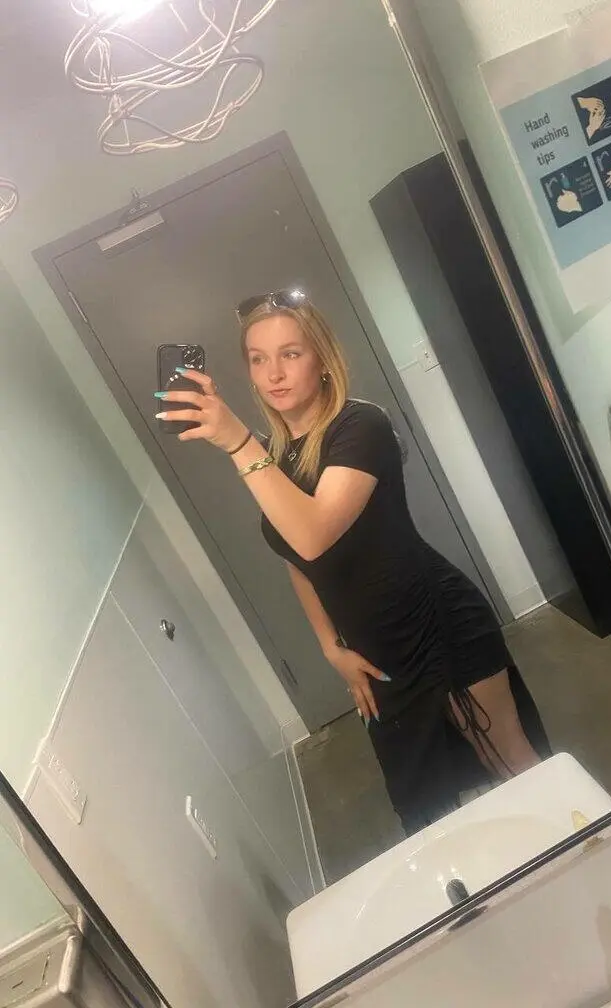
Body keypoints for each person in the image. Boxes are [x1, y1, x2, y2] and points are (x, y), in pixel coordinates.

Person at [155, 289, 551, 834]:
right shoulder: (278, 455)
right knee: (422, 799)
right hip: (376, 653)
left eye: (290, 353)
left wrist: (239, 444)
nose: (274, 373)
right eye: (258, 358)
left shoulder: (360, 426)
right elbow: (298, 559)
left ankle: (583, 847)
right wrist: (330, 647)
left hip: (437, 625)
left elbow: (313, 535)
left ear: (322, 358)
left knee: (506, 758)